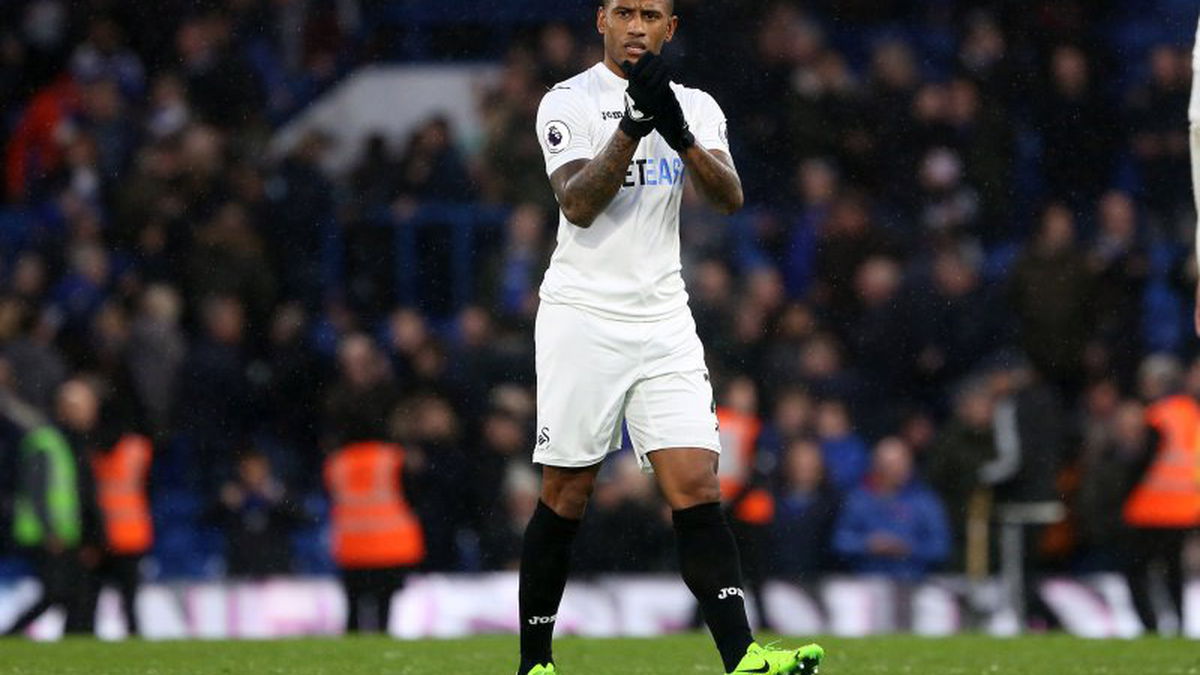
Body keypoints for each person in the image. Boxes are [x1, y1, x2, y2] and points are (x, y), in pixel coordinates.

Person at [518, 2, 823, 674]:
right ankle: (535, 661)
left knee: (698, 483)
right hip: (582, 316)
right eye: (623, 11)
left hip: (662, 317)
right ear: (600, 20)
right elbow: (578, 201)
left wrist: (679, 133)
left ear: (669, 29)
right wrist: (632, 124)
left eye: (649, 14)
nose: (635, 25)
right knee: (567, 489)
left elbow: (729, 196)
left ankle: (741, 656)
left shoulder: (698, 105)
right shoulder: (565, 102)